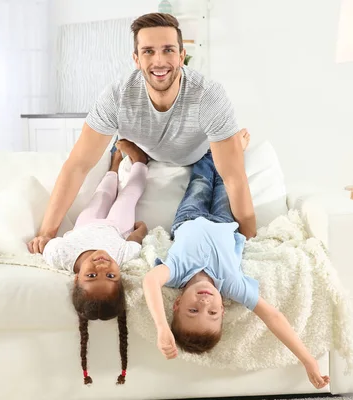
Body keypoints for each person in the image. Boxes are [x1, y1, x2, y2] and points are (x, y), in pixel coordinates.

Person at [27, 12, 256, 255]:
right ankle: (127, 147)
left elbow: (234, 176)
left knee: (216, 169)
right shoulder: (117, 97)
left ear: (182, 56)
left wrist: (251, 240)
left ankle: (233, 144)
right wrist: (47, 233)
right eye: (148, 51)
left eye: (168, 50)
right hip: (145, 147)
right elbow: (77, 166)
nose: (159, 61)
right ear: (136, 59)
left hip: (196, 153)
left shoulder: (208, 96)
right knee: (120, 149)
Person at [141, 145, 331, 390]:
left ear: (177, 304)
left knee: (200, 180)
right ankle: (230, 148)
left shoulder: (176, 272)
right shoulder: (231, 284)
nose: (204, 304)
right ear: (222, 309)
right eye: (211, 313)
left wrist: (162, 328)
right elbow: (273, 317)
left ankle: (205, 146)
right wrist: (308, 360)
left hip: (189, 216)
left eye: (192, 311)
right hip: (224, 220)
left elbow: (150, 282)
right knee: (224, 181)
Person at [40, 139, 149, 385]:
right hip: (116, 226)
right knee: (128, 196)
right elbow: (134, 241)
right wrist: (141, 230)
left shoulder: (62, 257)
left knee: (103, 193)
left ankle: (114, 164)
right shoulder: (122, 257)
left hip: (87, 223)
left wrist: (41, 240)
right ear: (120, 277)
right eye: (110, 276)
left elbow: (46, 245)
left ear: (76, 278)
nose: (102, 267)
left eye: (92, 276)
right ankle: (141, 163)